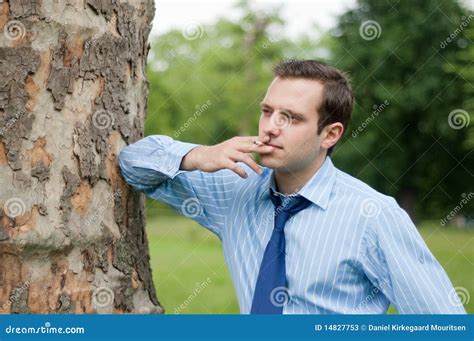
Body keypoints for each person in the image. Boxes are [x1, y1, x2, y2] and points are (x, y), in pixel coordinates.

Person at [118, 59, 466, 314]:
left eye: (292, 118)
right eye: (267, 111)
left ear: (330, 134)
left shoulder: (373, 216)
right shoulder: (233, 187)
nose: (270, 128)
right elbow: (132, 164)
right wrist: (196, 155)